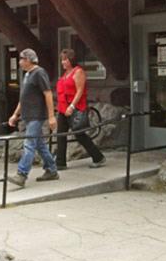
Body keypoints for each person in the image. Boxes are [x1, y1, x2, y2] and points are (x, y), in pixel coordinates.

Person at [7, 48, 58, 187]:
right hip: (28, 115)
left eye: (22, 59)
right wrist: (15, 114)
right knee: (40, 145)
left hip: (37, 115)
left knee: (29, 144)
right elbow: (23, 98)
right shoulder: (27, 75)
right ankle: (52, 169)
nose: (19, 62)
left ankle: (21, 174)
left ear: (29, 60)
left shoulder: (39, 73)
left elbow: (48, 93)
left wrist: (51, 116)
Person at [55, 49, 105, 169]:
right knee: (60, 135)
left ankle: (98, 157)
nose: (63, 62)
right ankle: (60, 163)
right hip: (62, 108)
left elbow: (80, 91)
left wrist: (72, 106)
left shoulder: (78, 72)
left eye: (65, 59)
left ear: (71, 59)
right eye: (62, 60)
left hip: (74, 107)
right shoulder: (65, 74)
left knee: (79, 134)